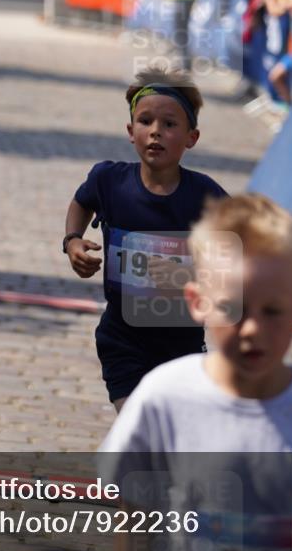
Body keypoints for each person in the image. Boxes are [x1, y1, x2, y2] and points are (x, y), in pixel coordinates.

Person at [101, 193, 292, 551]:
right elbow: (135, 528)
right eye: (233, 310)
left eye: (273, 311)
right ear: (197, 301)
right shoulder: (162, 399)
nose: (253, 330)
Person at [63, 67, 227, 413]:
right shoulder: (108, 180)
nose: (155, 132)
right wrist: (73, 240)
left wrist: (190, 277)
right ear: (130, 131)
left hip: (182, 347)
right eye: (145, 121)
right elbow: (81, 203)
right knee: (137, 424)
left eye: (169, 125)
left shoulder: (207, 196)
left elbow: (235, 258)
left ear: (191, 137)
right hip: (122, 339)